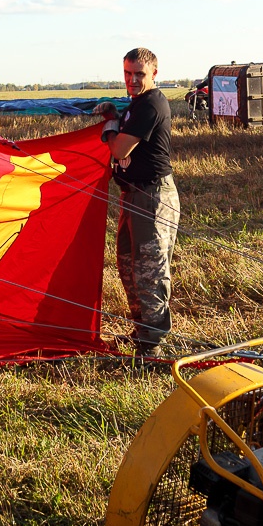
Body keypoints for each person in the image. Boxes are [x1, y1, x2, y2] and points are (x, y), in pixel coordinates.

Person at [94, 47, 179, 355]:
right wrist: (115, 116)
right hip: (133, 195)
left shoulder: (151, 104)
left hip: (153, 196)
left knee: (150, 270)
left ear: (154, 74)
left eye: (139, 74)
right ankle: (142, 331)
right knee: (129, 267)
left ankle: (152, 345)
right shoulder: (135, 105)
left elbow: (119, 150)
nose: (132, 80)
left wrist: (109, 126)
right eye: (128, 73)